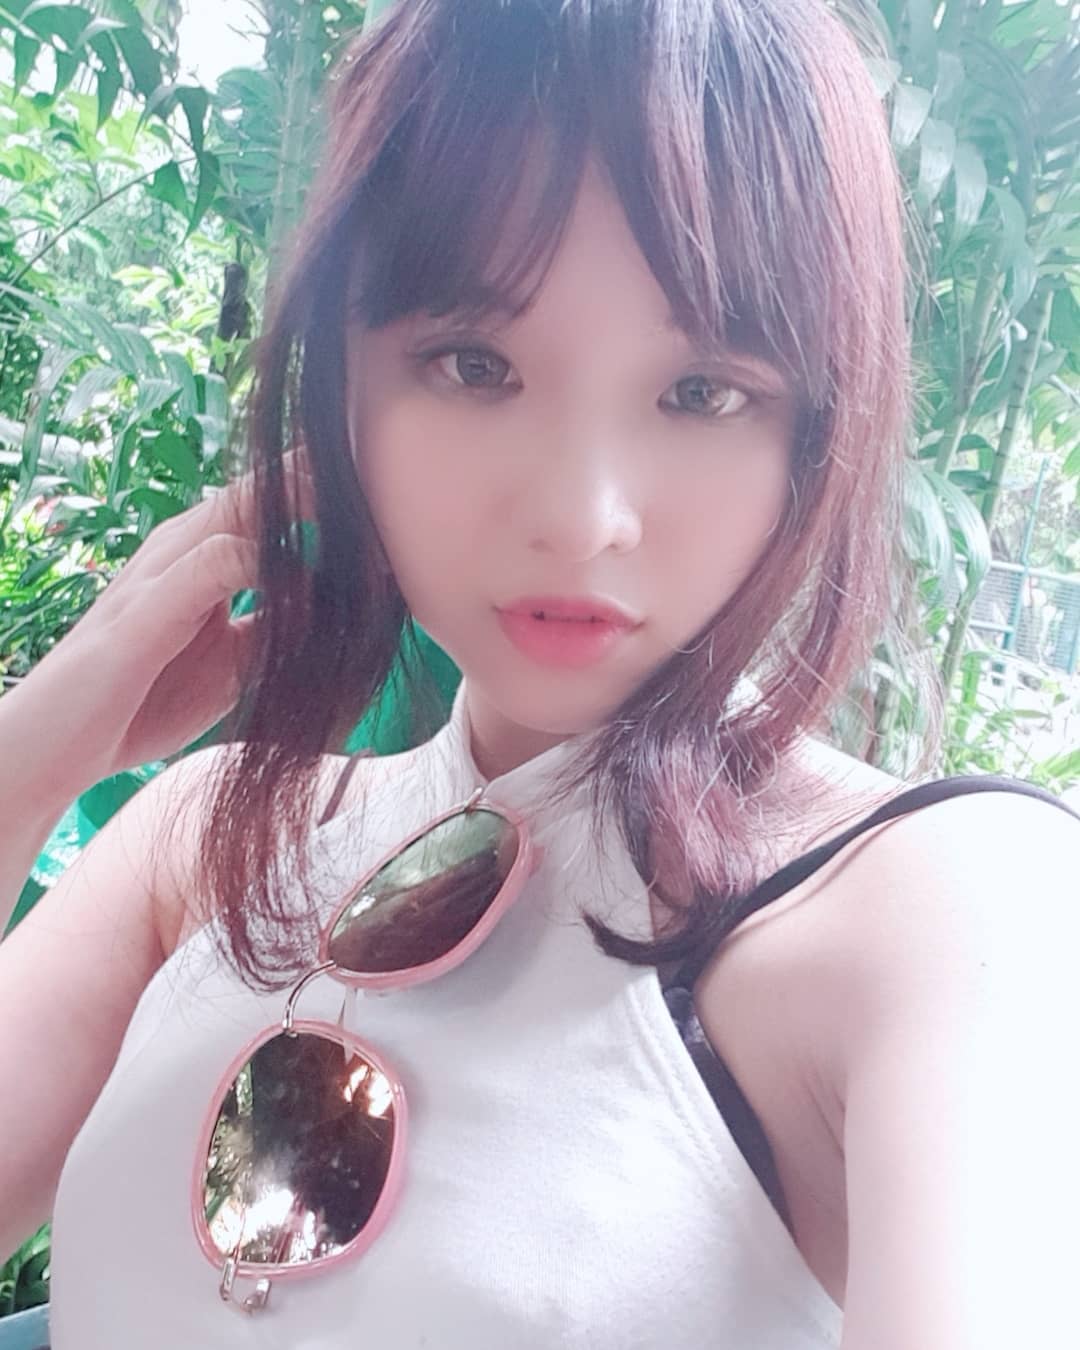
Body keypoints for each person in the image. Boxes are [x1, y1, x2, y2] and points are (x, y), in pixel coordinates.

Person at [0, 1, 1077, 1346]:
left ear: (819, 424)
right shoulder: (206, 837)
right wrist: (37, 752)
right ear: (344, 389)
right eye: (475, 365)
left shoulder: (942, 907)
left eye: (704, 392)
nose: (582, 517)